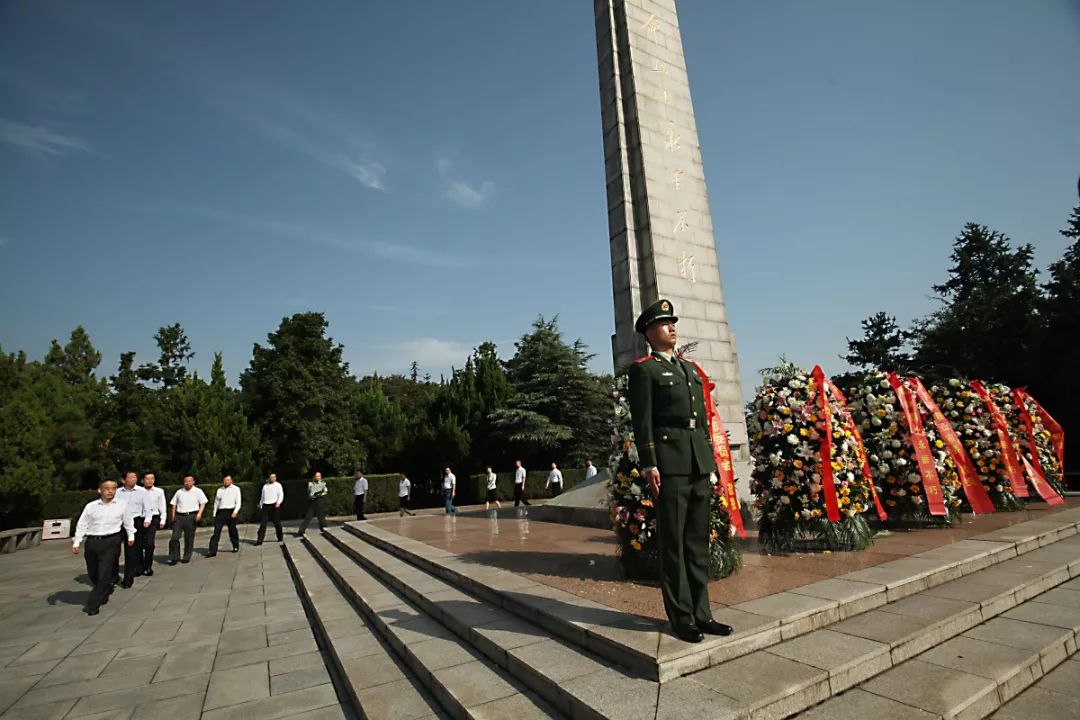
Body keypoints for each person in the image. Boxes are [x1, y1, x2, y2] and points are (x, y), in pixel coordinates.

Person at [628, 298, 733, 643]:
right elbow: (642, 421)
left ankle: (703, 614)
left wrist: (711, 464)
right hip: (669, 464)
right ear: (648, 332)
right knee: (673, 543)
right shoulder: (645, 370)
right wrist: (649, 463)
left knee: (696, 543)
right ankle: (681, 616)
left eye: (673, 323)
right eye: (663, 324)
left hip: (697, 463)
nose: (672, 328)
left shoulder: (689, 370)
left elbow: (702, 423)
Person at [72, 479, 135, 615]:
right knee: (93, 573)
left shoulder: (122, 505)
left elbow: (128, 521)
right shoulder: (91, 506)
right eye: (107, 488)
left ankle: (92, 605)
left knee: (104, 572)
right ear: (100, 490)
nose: (110, 491)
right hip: (92, 541)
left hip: (112, 541)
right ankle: (105, 588)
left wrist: (131, 536)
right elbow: (82, 524)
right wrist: (77, 542)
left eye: (113, 488)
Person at [114, 471, 147, 587]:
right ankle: (113, 575)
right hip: (119, 523)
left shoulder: (142, 491)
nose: (134, 479)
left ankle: (128, 578)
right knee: (114, 551)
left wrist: (147, 519)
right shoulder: (117, 492)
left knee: (131, 551)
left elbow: (147, 506)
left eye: (135, 477)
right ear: (124, 480)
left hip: (136, 521)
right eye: (131, 477)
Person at [168, 475, 207, 565]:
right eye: (186, 481)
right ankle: (175, 557)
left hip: (191, 516)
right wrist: (173, 516)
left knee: (189, 538)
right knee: (174, 537)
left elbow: (203, 503)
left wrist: (199, 513)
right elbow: (174, 504)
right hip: (179, 517)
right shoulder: (179, 492)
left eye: (190, 481)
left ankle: (186, 556)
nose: (187, 483)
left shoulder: (198, 491)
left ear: (193, 482)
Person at [208, 475, 242, 556]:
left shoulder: (236, 489)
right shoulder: (220, 490)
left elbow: (238, 502)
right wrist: (214, 513)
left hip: (231, 511)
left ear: (231, 481)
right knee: (216, 531)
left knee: (232, 530)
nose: (226, 482)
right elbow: (216, 502)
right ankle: (212, 550)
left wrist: (235, 511)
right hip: (221, 512)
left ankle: (235, 545)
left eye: (228, 480)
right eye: (224, 480)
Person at [140, 472, 167, 576]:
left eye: (152, 478)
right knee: (139, 544)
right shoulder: (138, 491)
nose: (150, 480)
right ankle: (139, 565)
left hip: (153, 518)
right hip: (140, 518)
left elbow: (162, 506)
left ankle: (148, 566)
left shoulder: (159, 491)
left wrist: (163, 519)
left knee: (150, 544)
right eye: (147, 478)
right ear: (142, 480)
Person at [256, 473, 284, 545]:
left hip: (274, 505)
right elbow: (263, 496)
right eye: (271, 477)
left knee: (277, 523)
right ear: (269, 478)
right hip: (266, 506)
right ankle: (259, 540)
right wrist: (261, 504)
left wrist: (278, 502)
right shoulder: (265, 486)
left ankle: (280, 537)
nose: (273, 478)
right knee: (263, 523)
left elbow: (281, 494)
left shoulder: (278, 485)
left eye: (274, 477)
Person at [297, 471, 328, 537]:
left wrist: (320, 494)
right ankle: (301, 531)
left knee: (321, 516)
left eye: (319, 476)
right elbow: (311, 492)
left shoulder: (323, 483)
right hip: (313, 500)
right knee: (308, 516)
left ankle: (324, 529)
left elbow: (325, 491)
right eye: (317, 476)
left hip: (319, 500)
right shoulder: (311, 484)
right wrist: (315, 494)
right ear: (314, 477)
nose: (318, 477)